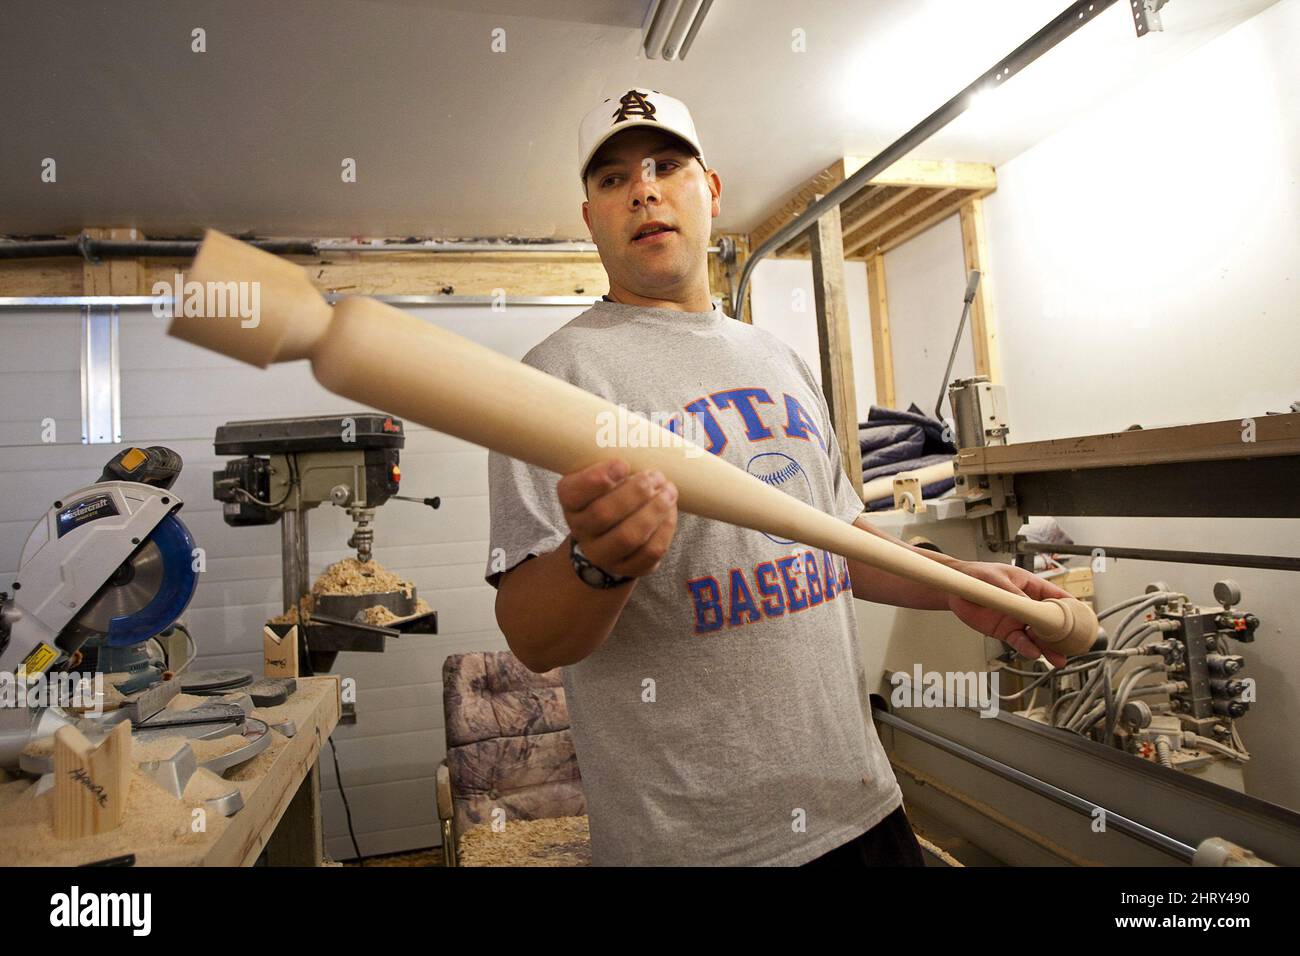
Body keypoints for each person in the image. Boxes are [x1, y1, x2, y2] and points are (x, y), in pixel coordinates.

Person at [483, 88, 1071, 866]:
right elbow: (531, 636)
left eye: (667, 165)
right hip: (697, 845)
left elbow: (837, 540)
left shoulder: (779, 360)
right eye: (613, 179)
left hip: (862, 806)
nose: (645, 190)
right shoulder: (554, 380)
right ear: (591, 218)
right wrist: (600, 563)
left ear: (711, 190)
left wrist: (965, 582)